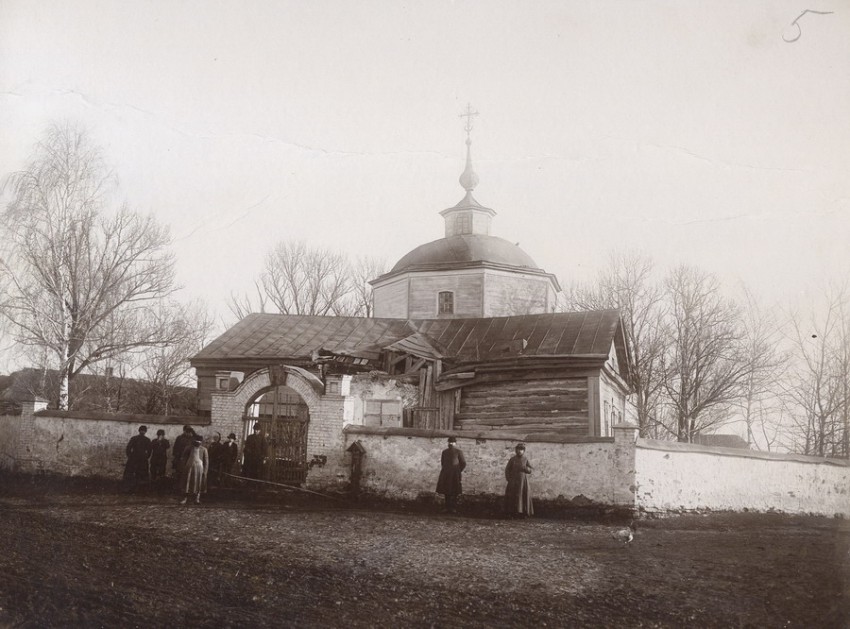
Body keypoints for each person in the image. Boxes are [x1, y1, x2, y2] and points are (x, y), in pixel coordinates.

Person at [436, 436, 466, 513]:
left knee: (455, 491)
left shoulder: (458, 452)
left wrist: (458, 471)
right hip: (446, 474)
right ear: (448, 443)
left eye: (453, 442)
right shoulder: (444, 452)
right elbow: (442, 462)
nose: (451, 443)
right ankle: (447, 507)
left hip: (455, 475)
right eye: (450, 442)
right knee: (447, 490)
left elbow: (463, 463)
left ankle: (453, 508)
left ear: (455, 443)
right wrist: (446, 470)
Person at [178, 434, 209, 504]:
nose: (197, 443)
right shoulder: (188, 448)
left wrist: (205, 471)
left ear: (201, 442)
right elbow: (184, 458)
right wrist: (183, 467)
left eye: (199, 442)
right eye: (196, 441)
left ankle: (197, 499)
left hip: (199, 469)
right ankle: (185, 498)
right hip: (189, 468)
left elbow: (206, 461)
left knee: (198, 483)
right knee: (187, 483)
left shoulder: (204, 449)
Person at [505, 443, 534, 517]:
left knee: (522, 495)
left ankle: (522, 513)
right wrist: (509, 479)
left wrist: (525, 468)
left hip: (523, 481)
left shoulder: (525, 459)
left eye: (521, 450)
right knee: (513, 496)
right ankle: (512, 512)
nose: (520, 451)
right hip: (513, 481)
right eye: (518, 449)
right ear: (516, 450)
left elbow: (530, 470)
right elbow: (507, 469)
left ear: (523, 451)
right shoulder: (512, 459)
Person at [123, 425, 152, 492]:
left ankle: (140, 489)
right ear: (139, 431)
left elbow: (149, 450)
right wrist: (130, 457)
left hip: (142, 460)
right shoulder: (134, 438)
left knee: (142, 474)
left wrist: (145, 457)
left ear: (145, 432)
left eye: (143, 431)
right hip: (134, 459)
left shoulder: (147, 440)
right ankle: (130, 488)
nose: (142, 432)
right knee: (131, 473)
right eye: (141, 430)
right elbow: (128, 448)